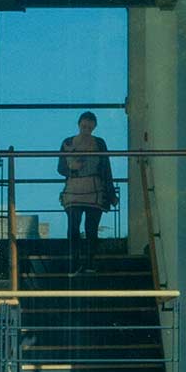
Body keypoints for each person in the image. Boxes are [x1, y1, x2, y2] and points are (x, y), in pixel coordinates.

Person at [57, 111, 119, 273]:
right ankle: (75, 262)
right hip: (74, 190)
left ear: (94, 128)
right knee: (73, 227)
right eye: (84, 126)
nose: (86, 130)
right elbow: (61, 168)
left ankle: (89, 263)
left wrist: (110, 193)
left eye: (89, 127)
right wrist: (73, 170)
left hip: (94, 190)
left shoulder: (99, 143)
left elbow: (106, 168)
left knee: (91, 229)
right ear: (79, 125)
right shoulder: (67, 142)